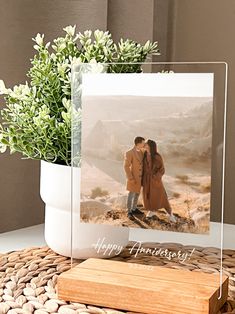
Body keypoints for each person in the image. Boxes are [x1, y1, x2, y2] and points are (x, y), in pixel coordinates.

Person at [142, 139, 177, 223]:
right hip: (147, 180)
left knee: (162, 197)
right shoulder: (145, 154)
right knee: (148, 196)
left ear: (151, 146)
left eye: (146, 144)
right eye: (145, 144)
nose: (145, 146)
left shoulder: (157, 156)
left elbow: (162, 169)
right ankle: (152, 211)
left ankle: (170, 214)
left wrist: (155, 177)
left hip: (155, 180)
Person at [124, 136, 145, 219]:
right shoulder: (129, 153)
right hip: (133, 178)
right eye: (143, 143)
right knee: (131, 194)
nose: (144, 145)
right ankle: (129, 212)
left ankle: (134, 208)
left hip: (140, 179)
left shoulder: (142, 152)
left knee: (137, 194)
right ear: (139, 143)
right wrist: (130, 178)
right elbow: (126, 166)